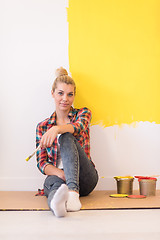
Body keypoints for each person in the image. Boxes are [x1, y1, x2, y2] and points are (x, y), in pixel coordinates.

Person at [36, 67, 98, 217]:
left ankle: (73, 195)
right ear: (53, 94)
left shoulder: (83, 113)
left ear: (74, 96)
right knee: (51, 185)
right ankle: (57, 206)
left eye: (70, 94)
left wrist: (57, 129)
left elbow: (78, 127)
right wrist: (60, 174)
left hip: (85, 178)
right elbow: (41, 162)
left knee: (66, 136)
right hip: (59, 178)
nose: (65, 99)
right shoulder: (42, 127)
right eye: (60, 93)